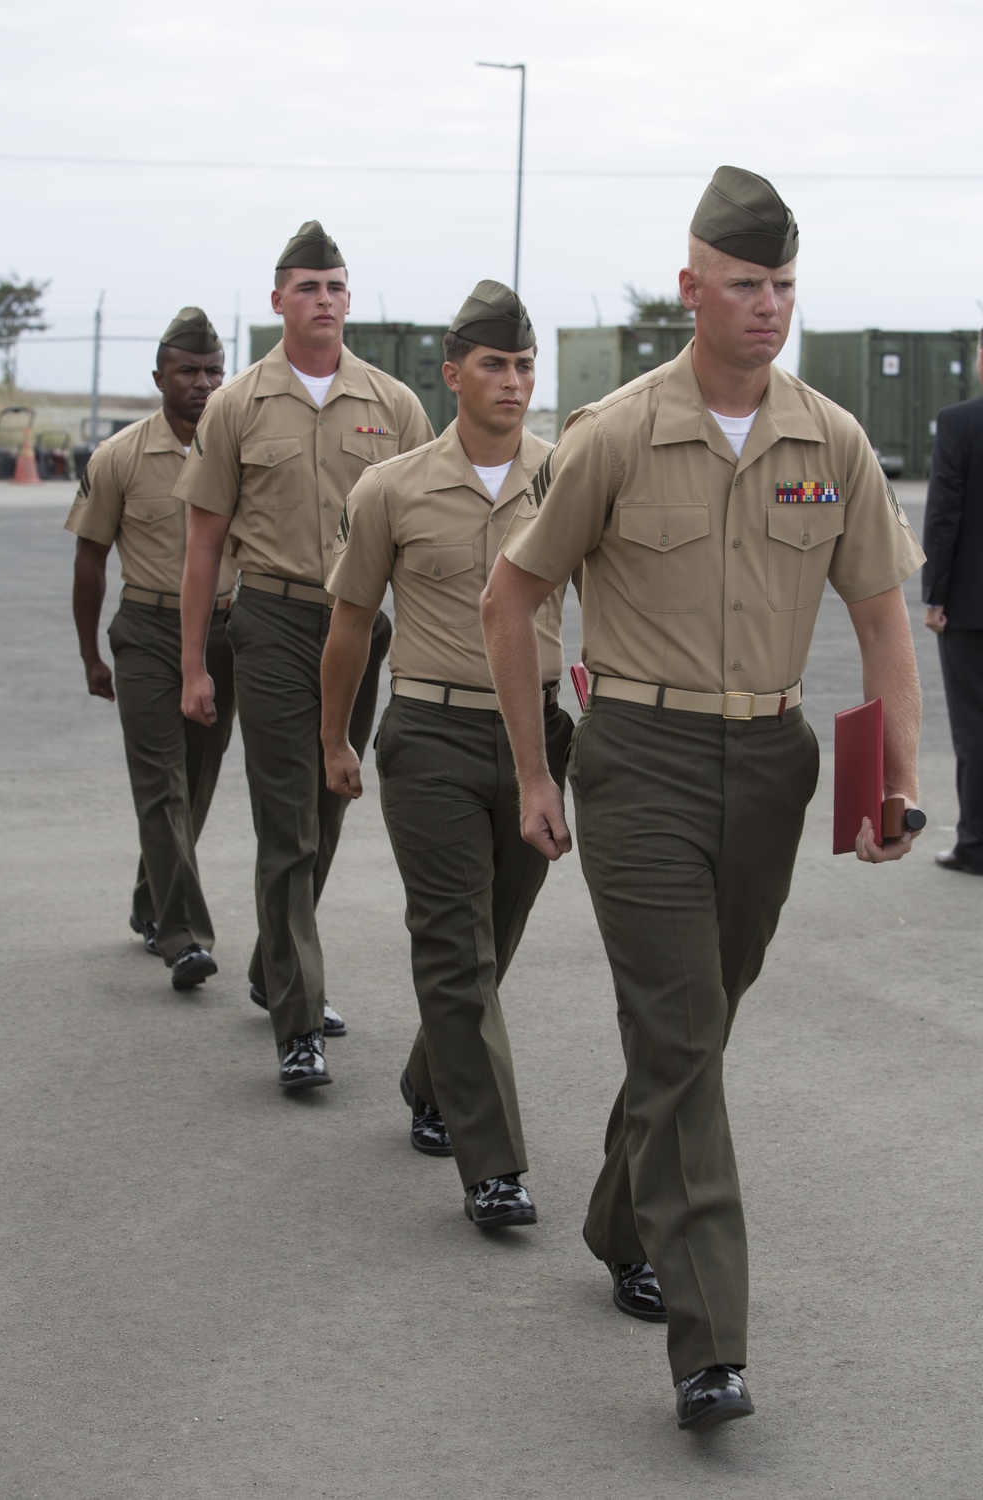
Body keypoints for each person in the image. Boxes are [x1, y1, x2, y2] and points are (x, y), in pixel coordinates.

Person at [480, 166, 925, 1430]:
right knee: (681, 1039)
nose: (767, 305)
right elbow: (512, 599)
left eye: (783, 284)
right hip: (639, 764)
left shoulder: (828, 440)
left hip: (772, 770)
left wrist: (894, 778)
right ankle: (709, 1344)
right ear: (690, 289)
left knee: (702, 1023)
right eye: (744, 283)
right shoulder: (615, 432)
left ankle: (621, 1213)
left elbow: (881, 616)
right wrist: (531, 767)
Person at [321, 281, 574, 1228]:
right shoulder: (389, 487)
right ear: (453, 373)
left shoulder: (568, 476)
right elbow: (350, 625)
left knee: (493, 939)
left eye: (523, 365)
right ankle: (493, 1164)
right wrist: (334, 736)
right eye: (494, 365)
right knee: (453, 941)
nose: (512, 381)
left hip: (538, 738)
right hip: (428, 733)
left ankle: (432, 1080)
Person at [177, 221, 434, 1088]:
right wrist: (193, 665)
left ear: (349, 300)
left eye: (336, 287)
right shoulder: (238, 404)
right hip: (275, 625)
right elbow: (203, 546)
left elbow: (429, 536)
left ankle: (274, 967)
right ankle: (297, 1018)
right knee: (286, 820)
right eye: (308, 287)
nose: (323, 301)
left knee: (328, 812)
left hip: (358, 630)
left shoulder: (394, 406)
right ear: (279, 298)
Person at [65, 307, 234, 991]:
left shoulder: (235, 451)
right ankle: (185, 936)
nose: (202, 383)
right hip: (147, 630)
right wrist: (90, 655)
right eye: (189, 371)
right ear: (159, 375)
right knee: (160, 782)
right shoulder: (120, 457)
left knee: (193, 787)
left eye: (213, 372)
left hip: (223, 634)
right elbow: (89, 560)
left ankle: (149, 899)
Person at [922, 332, 983, 875]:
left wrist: (935, 594)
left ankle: (975, 843)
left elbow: (944, 514)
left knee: (974, 725)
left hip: (970, 607)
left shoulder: (961, 422)